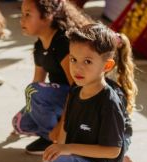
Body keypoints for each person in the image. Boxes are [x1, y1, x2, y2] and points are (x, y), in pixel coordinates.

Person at [29, 22, 137, 162]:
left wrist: (64, 154)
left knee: (59, 160)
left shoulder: (108, 102)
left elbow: (113, 151)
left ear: (106, 66)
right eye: (73, 59)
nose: (77, 68)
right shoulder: (75, 93)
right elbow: (64, 137)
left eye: (87, 61)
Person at [12, 0, 93, 153]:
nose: (21, 19)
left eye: (28, 14)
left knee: (34, 91)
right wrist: (29, 111)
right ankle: (51, 136)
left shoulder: (63, 43)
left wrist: (61, 126)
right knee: (20, 123)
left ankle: (62, 140)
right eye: (22, 14)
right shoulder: (40, 44)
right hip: (60, 97)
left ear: (48, 15)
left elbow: (78, 90)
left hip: (82, 101)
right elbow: (38, 81)